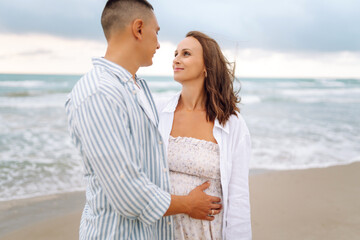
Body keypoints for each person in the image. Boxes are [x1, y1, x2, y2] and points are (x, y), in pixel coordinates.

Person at [65, 1, 222, 239]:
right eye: (156, 32)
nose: (159, 44)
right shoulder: (98, 93)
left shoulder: (136, 88)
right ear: (138, 29)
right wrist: (188, 204)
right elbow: (126, 192)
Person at [157, 31, 252, 239]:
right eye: (176, 53)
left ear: (206, 67)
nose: (176, 59)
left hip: (208, 232)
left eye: (186, 54)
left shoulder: (231, 123)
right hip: (162, 231)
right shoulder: (158, 112)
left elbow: (239, 198)